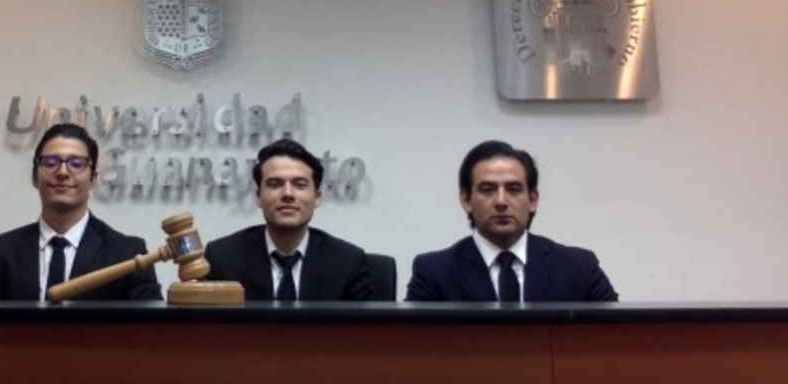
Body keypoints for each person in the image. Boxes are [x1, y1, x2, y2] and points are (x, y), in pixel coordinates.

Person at [0, 123, 161, 301]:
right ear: (34, 177)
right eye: (51, 162)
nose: (63, 172)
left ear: (93, 179)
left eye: (76, 164)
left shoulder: (128, 255)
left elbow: (152, 328)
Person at [406, 140, 617, 302]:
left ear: (532, 200)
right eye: (487, 190)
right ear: (466, 200)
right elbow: (412, 343)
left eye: (514, 189)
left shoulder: (578, 267)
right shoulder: (434, 272)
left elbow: (619, 334)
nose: (501, 201)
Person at [204, 139, 373, 301]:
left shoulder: (348, 262)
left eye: (299, 185)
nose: (288, 194)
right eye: (274, 184)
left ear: (317, 197)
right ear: (258, 197)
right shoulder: (222, 258)